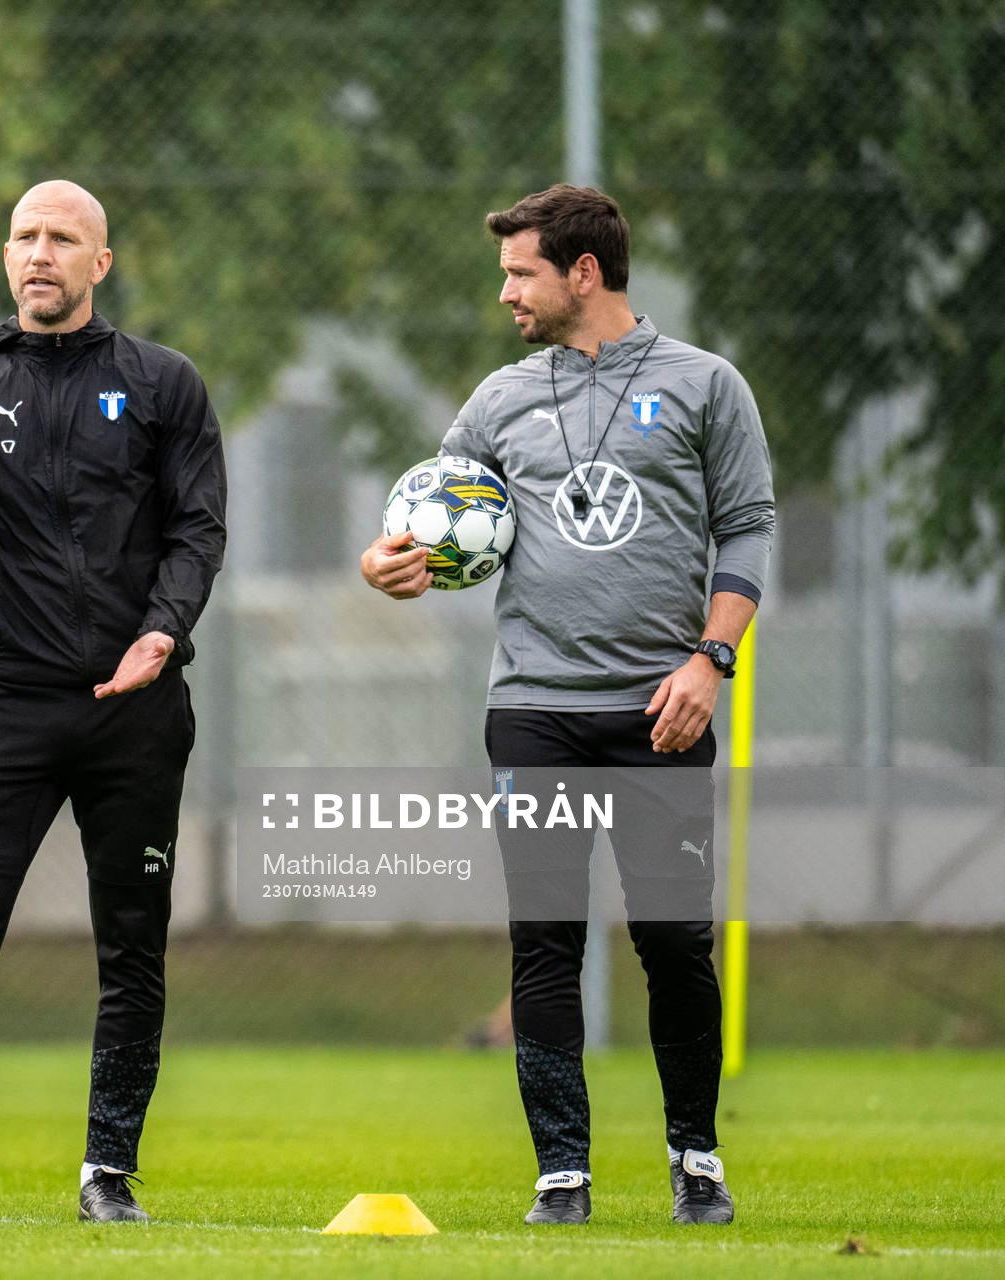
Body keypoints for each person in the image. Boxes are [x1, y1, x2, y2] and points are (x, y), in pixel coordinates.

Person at [360, 185, 774, 1226]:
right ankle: (562, 1175)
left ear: (582, 272)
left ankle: (695, 1157)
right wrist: (388, 560)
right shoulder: (501, 399)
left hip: (661, 712)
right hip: (533, 710)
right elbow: (429, 512)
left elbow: (749, 532)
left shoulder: (705, 385)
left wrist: (709, 661)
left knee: (674, 939)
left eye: (520, 273)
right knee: (545, 938)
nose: (506, 292)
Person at [0, 180, 227, 1224]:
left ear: (100, 263)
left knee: (132, 943)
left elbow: (198, 531)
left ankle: (107, 1174)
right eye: (27, 236)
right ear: (6, 257)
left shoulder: (163, 384)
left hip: (136, 707)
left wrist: (161, 633)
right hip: (7, 704)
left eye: (63, 238)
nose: (42, 253)